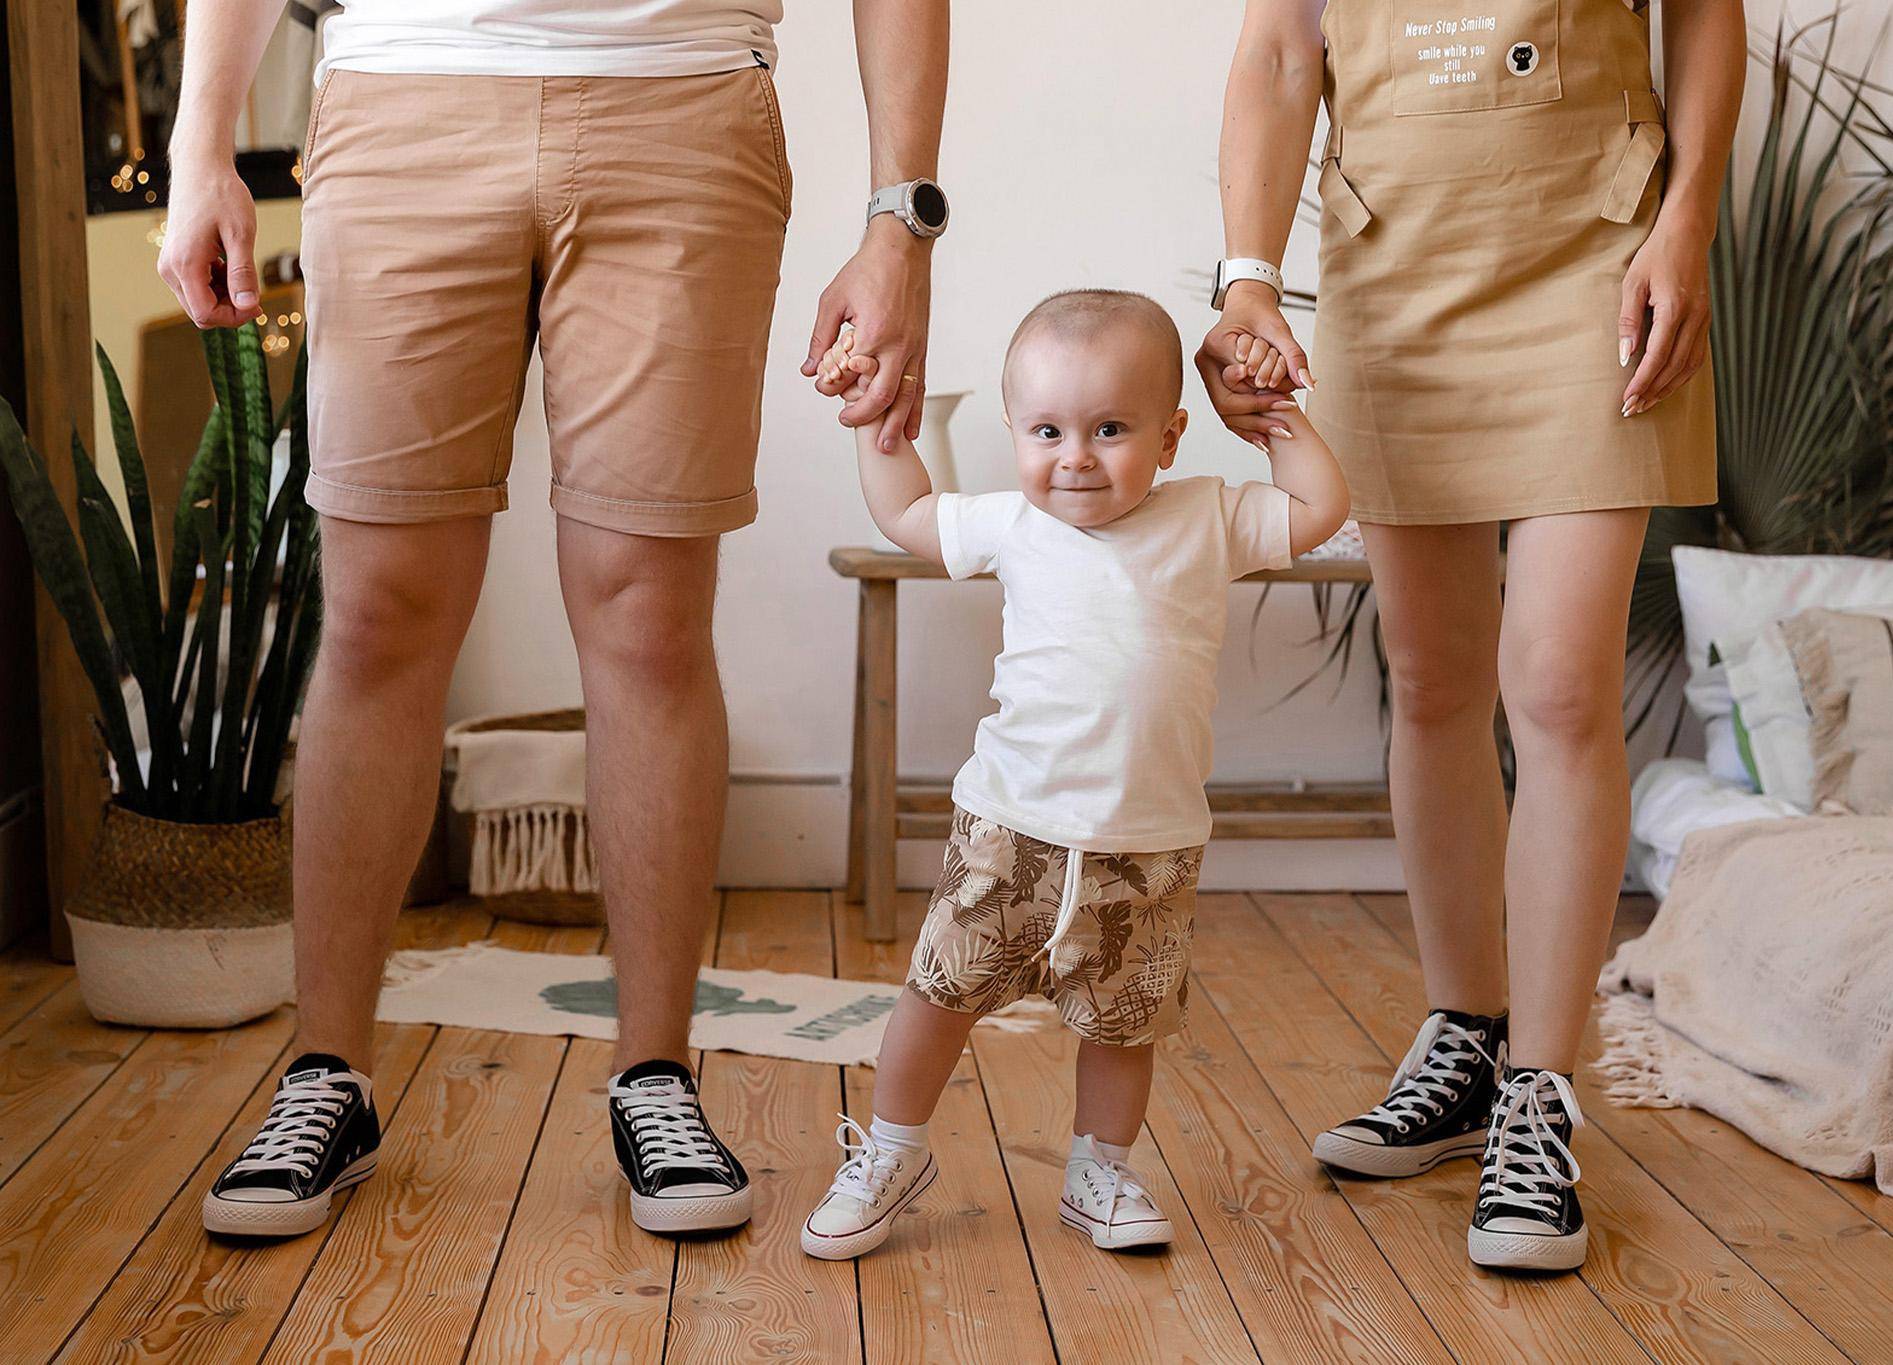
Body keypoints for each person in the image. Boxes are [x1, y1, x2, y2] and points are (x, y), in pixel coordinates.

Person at [158, 0, 951, 1239]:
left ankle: (656, 1077)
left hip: (683, 102)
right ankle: (328, 1077)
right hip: (405, 98)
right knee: (377, 618)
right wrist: (200, 136)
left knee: (649, 620)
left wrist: (901, 216)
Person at [1200, 0, 1744, 1270]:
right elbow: (1282, 50)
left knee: (1555, 685)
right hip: (1396, 274)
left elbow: (1705, 11)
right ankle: (1465, 1039)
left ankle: (1540, 1095)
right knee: (1432, 679)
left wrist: (1687, 222)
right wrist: (1245, 275)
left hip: (1597, 260)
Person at [794, 292, 1349, 1260]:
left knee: (1122, 1022)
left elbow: (1319, 509)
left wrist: (1275, 421)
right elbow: (906, 509)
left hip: (1149, 839)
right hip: (1010, 826)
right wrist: (877, 419)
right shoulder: (1012, 523)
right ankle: (891, 1149)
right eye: (1046, 431)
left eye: (1109, 429)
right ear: (1014, 432)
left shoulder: (1206, 517)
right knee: (938, 992)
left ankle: (1100, 1168)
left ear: (1171, 435)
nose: (1075, 456)